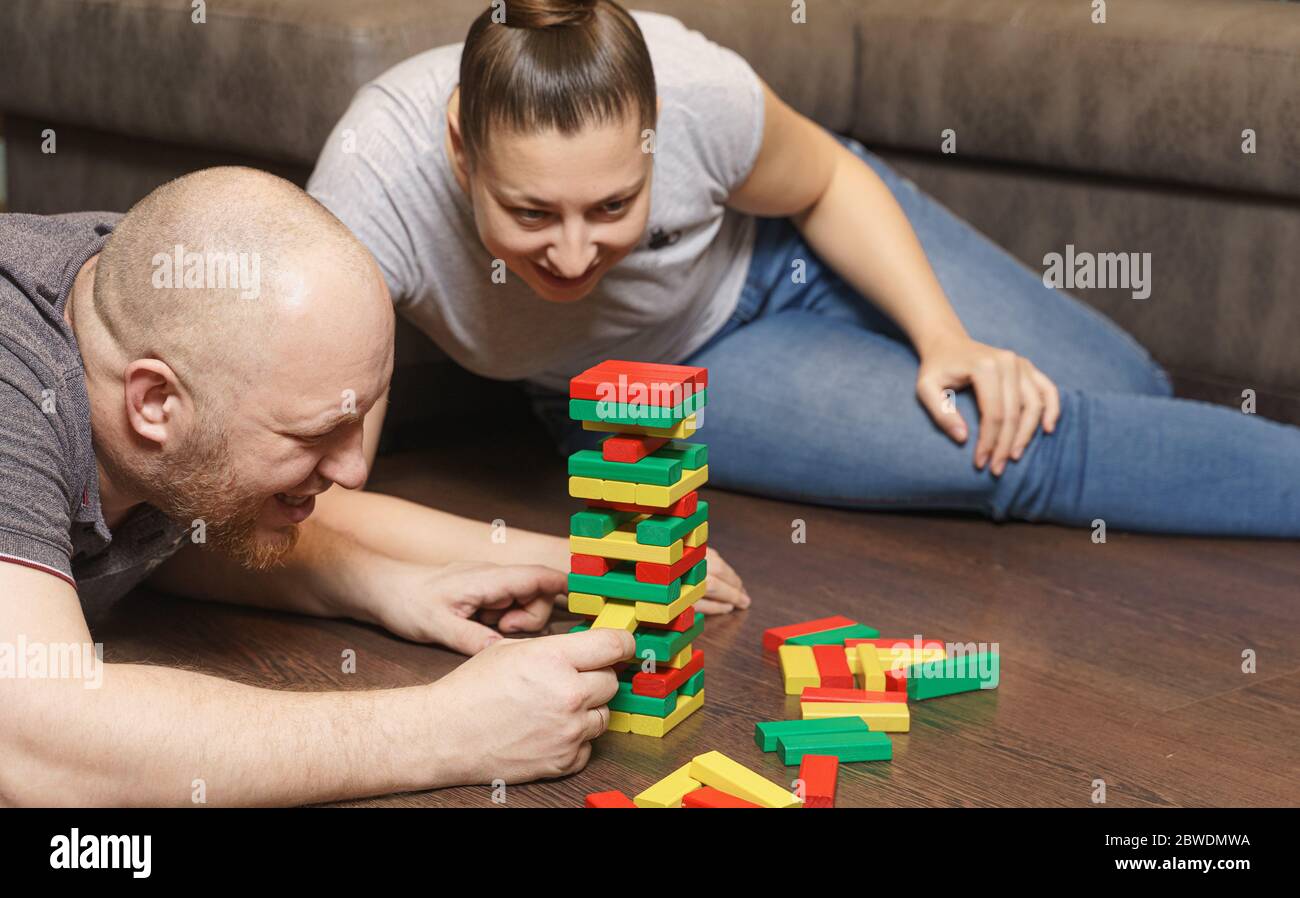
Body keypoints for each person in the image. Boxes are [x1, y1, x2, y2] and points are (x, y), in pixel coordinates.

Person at [309, 0, 1300, 537]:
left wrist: (942, 339)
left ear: (654, 140)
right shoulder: (373, 184)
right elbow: (328, 498)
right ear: (459, 150)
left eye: (613, 206)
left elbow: (824, 177)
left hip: (797, 241)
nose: (573, 255)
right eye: (530, 213)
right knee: (1028, 443)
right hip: (660, 374)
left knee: (1130, 389)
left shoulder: (696, 88)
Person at [0, 167, 644, 806]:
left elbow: (181, 508)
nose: (354, 470)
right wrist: (449, 728)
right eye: (317, 433)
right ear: (155, 402)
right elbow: (36, 739)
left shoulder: (164, 303)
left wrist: (380, 582)